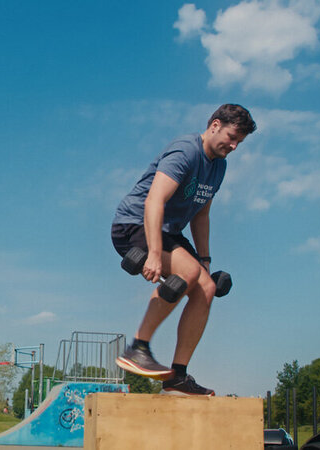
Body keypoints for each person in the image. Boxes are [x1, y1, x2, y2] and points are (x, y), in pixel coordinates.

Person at [111, 104, 256, 396]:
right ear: (215, 125)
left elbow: (201, 215)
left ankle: (177, 376)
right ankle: (137, 348)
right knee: (187, 272)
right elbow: (155, 201)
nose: (234, 145)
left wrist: (205, 260)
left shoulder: (219, 167)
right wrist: (153, 253)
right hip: (135, 224)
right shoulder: (185, 151)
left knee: (206, 285)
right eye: (231, 136)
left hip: (169, 232)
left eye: (239, 141)